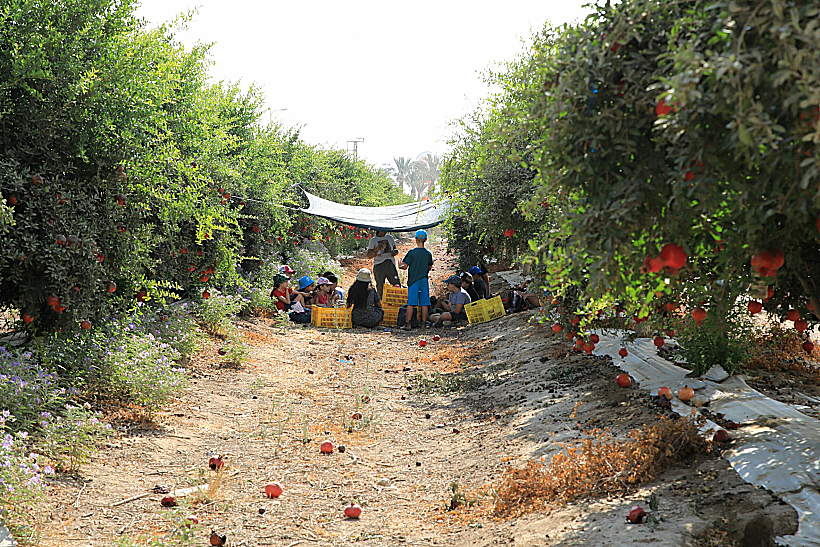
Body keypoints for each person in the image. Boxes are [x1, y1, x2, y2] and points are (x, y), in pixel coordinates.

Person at [398, 229, 434, 330]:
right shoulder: (428, 254)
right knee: (424, 303)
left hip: (413, 281)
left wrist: (400, 266)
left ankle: (408, 324)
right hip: (423, 280)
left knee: (411, 303)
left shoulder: (412, 253)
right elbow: (430, 266)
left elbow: (405, 266)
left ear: (416, 239)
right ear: (425, 240)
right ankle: (423, 324)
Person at [366, 230, 401, 298]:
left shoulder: (390, 238)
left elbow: (395, 250)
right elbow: (369, 256)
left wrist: (395, 252)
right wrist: (376, 249)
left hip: (390, 263)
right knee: (380, 286)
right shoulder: (373, 240)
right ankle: (381, 303)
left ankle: (397, 300)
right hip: (379, 265)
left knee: (396, 284)